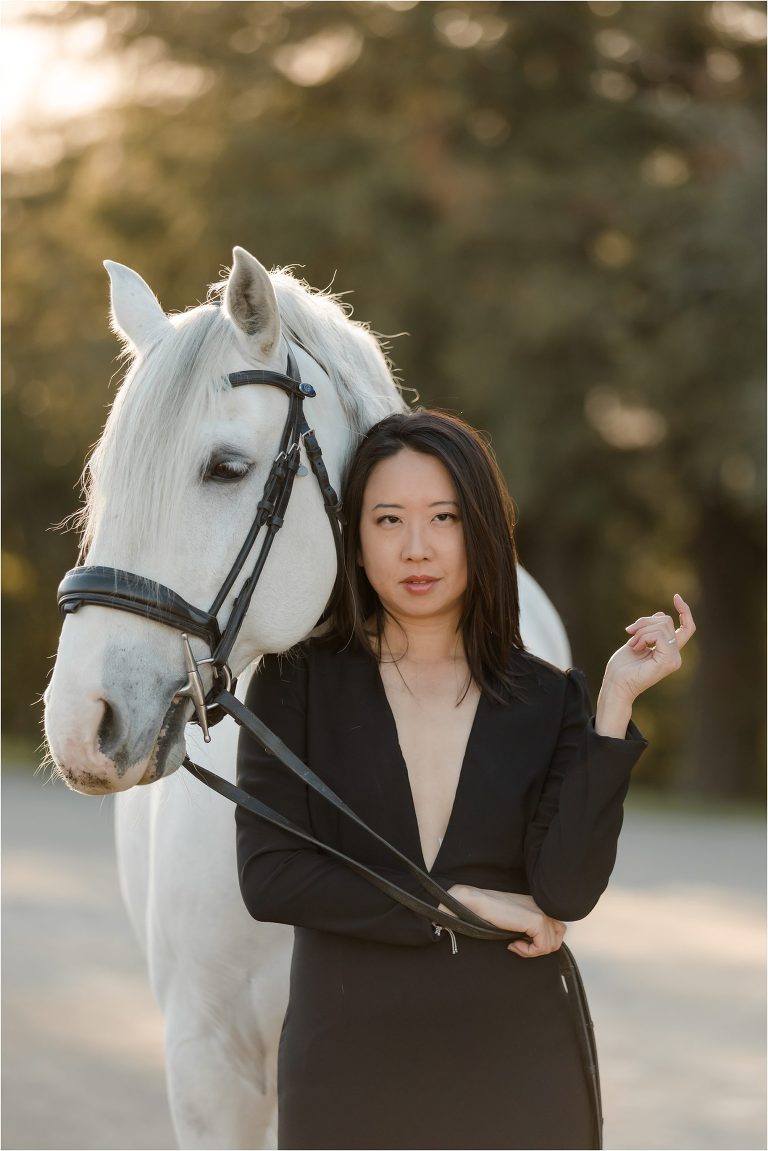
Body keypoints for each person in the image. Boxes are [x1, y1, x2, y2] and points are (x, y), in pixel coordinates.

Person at [235, 410, 695, 1151]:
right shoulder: (294, 684)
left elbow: (565, 891)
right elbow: (271, 878)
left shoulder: (551, 699)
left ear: (479, 529)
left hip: (519, 1070)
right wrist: (449, 905)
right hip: (347, 1069)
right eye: (388, 518)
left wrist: (613, 704)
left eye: (443, 517)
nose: (416, 547)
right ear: (355, 539)